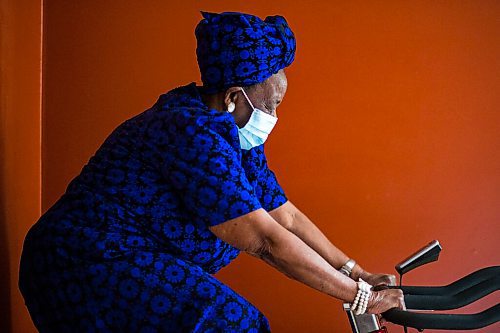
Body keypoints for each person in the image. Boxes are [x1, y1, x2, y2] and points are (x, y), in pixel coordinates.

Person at [19, 11, 405, 333]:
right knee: (234, 325)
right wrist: (361, 299)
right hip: (80, 262)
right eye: (271, 104)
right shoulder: (189, 131)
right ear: (234, 97)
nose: (274, 117)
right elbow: (265, 240)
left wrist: (359, 273)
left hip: (124, 258)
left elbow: (284, 215)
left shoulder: (235, 136)